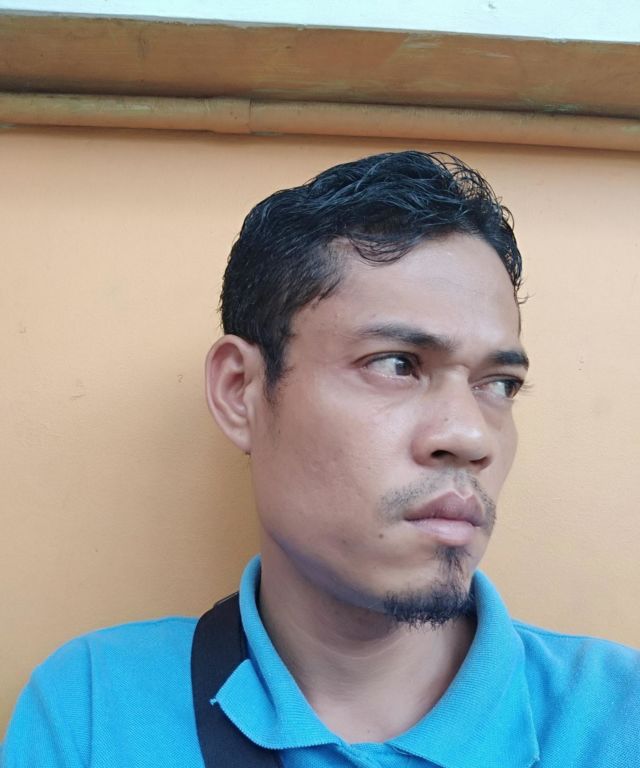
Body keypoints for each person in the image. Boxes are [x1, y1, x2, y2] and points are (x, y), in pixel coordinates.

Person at [2, 150, 638, 767]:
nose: (472, 437)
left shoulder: (617, 715)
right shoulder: (95, 710)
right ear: (240, 392)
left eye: (498, 383)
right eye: (397, 364)